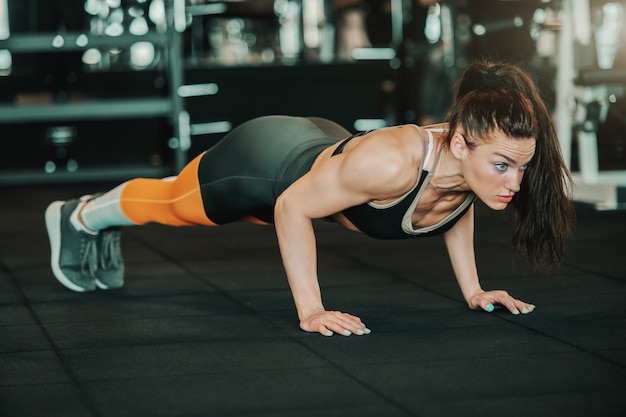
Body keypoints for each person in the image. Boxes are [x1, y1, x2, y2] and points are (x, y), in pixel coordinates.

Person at [45, 61, 575, 337]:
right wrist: (312, 310)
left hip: (323, 146)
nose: (514, 181)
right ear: (460, 144)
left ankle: (89, 218)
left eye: (521, 167)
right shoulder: (391, 163)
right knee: (175, 206)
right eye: (503, 166)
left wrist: (475, 289)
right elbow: (292, 208)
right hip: (266, 164)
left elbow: (454, 207)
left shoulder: (467, 161)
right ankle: (79, 215)